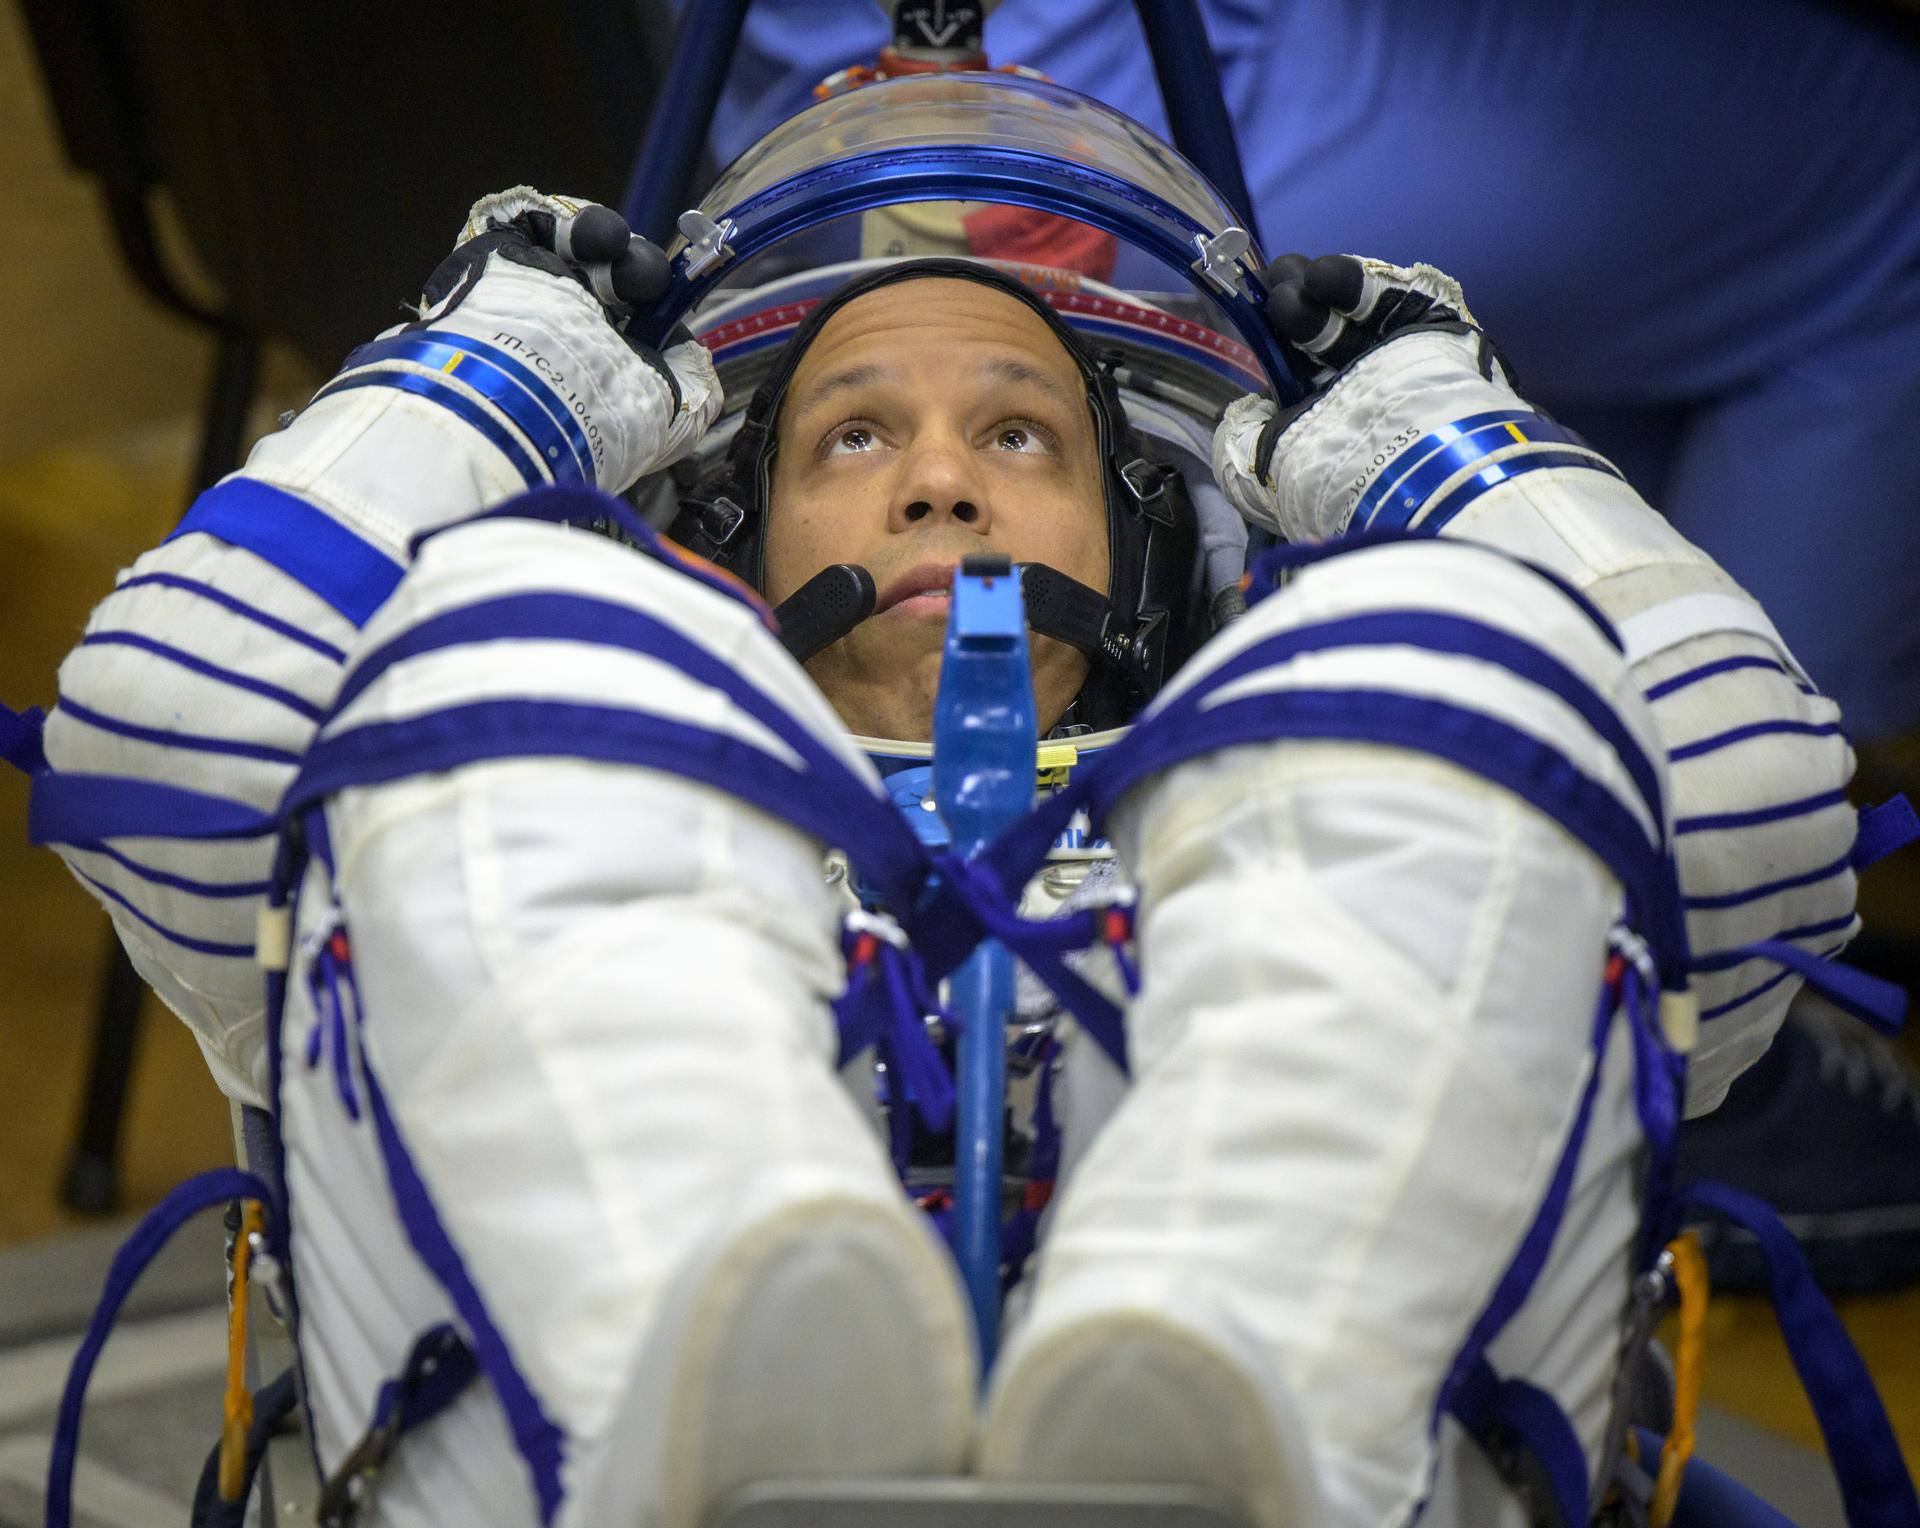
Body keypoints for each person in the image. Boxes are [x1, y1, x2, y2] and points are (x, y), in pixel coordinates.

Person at [35, 190, 1860, 1528]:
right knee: (512, 620)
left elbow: (1756, 801)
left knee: (1457, 668)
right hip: (574, 1473)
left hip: (1339, 1480)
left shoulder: (1337, 819)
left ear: (1142, 551)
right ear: (738, 559)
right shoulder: (496, 808)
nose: (939, 483)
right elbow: (171, 721)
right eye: (853, 435)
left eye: (1016, 430)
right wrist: (503, 374)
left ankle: (1217, 1385)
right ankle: (719, 1368)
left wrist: (1425, 436)